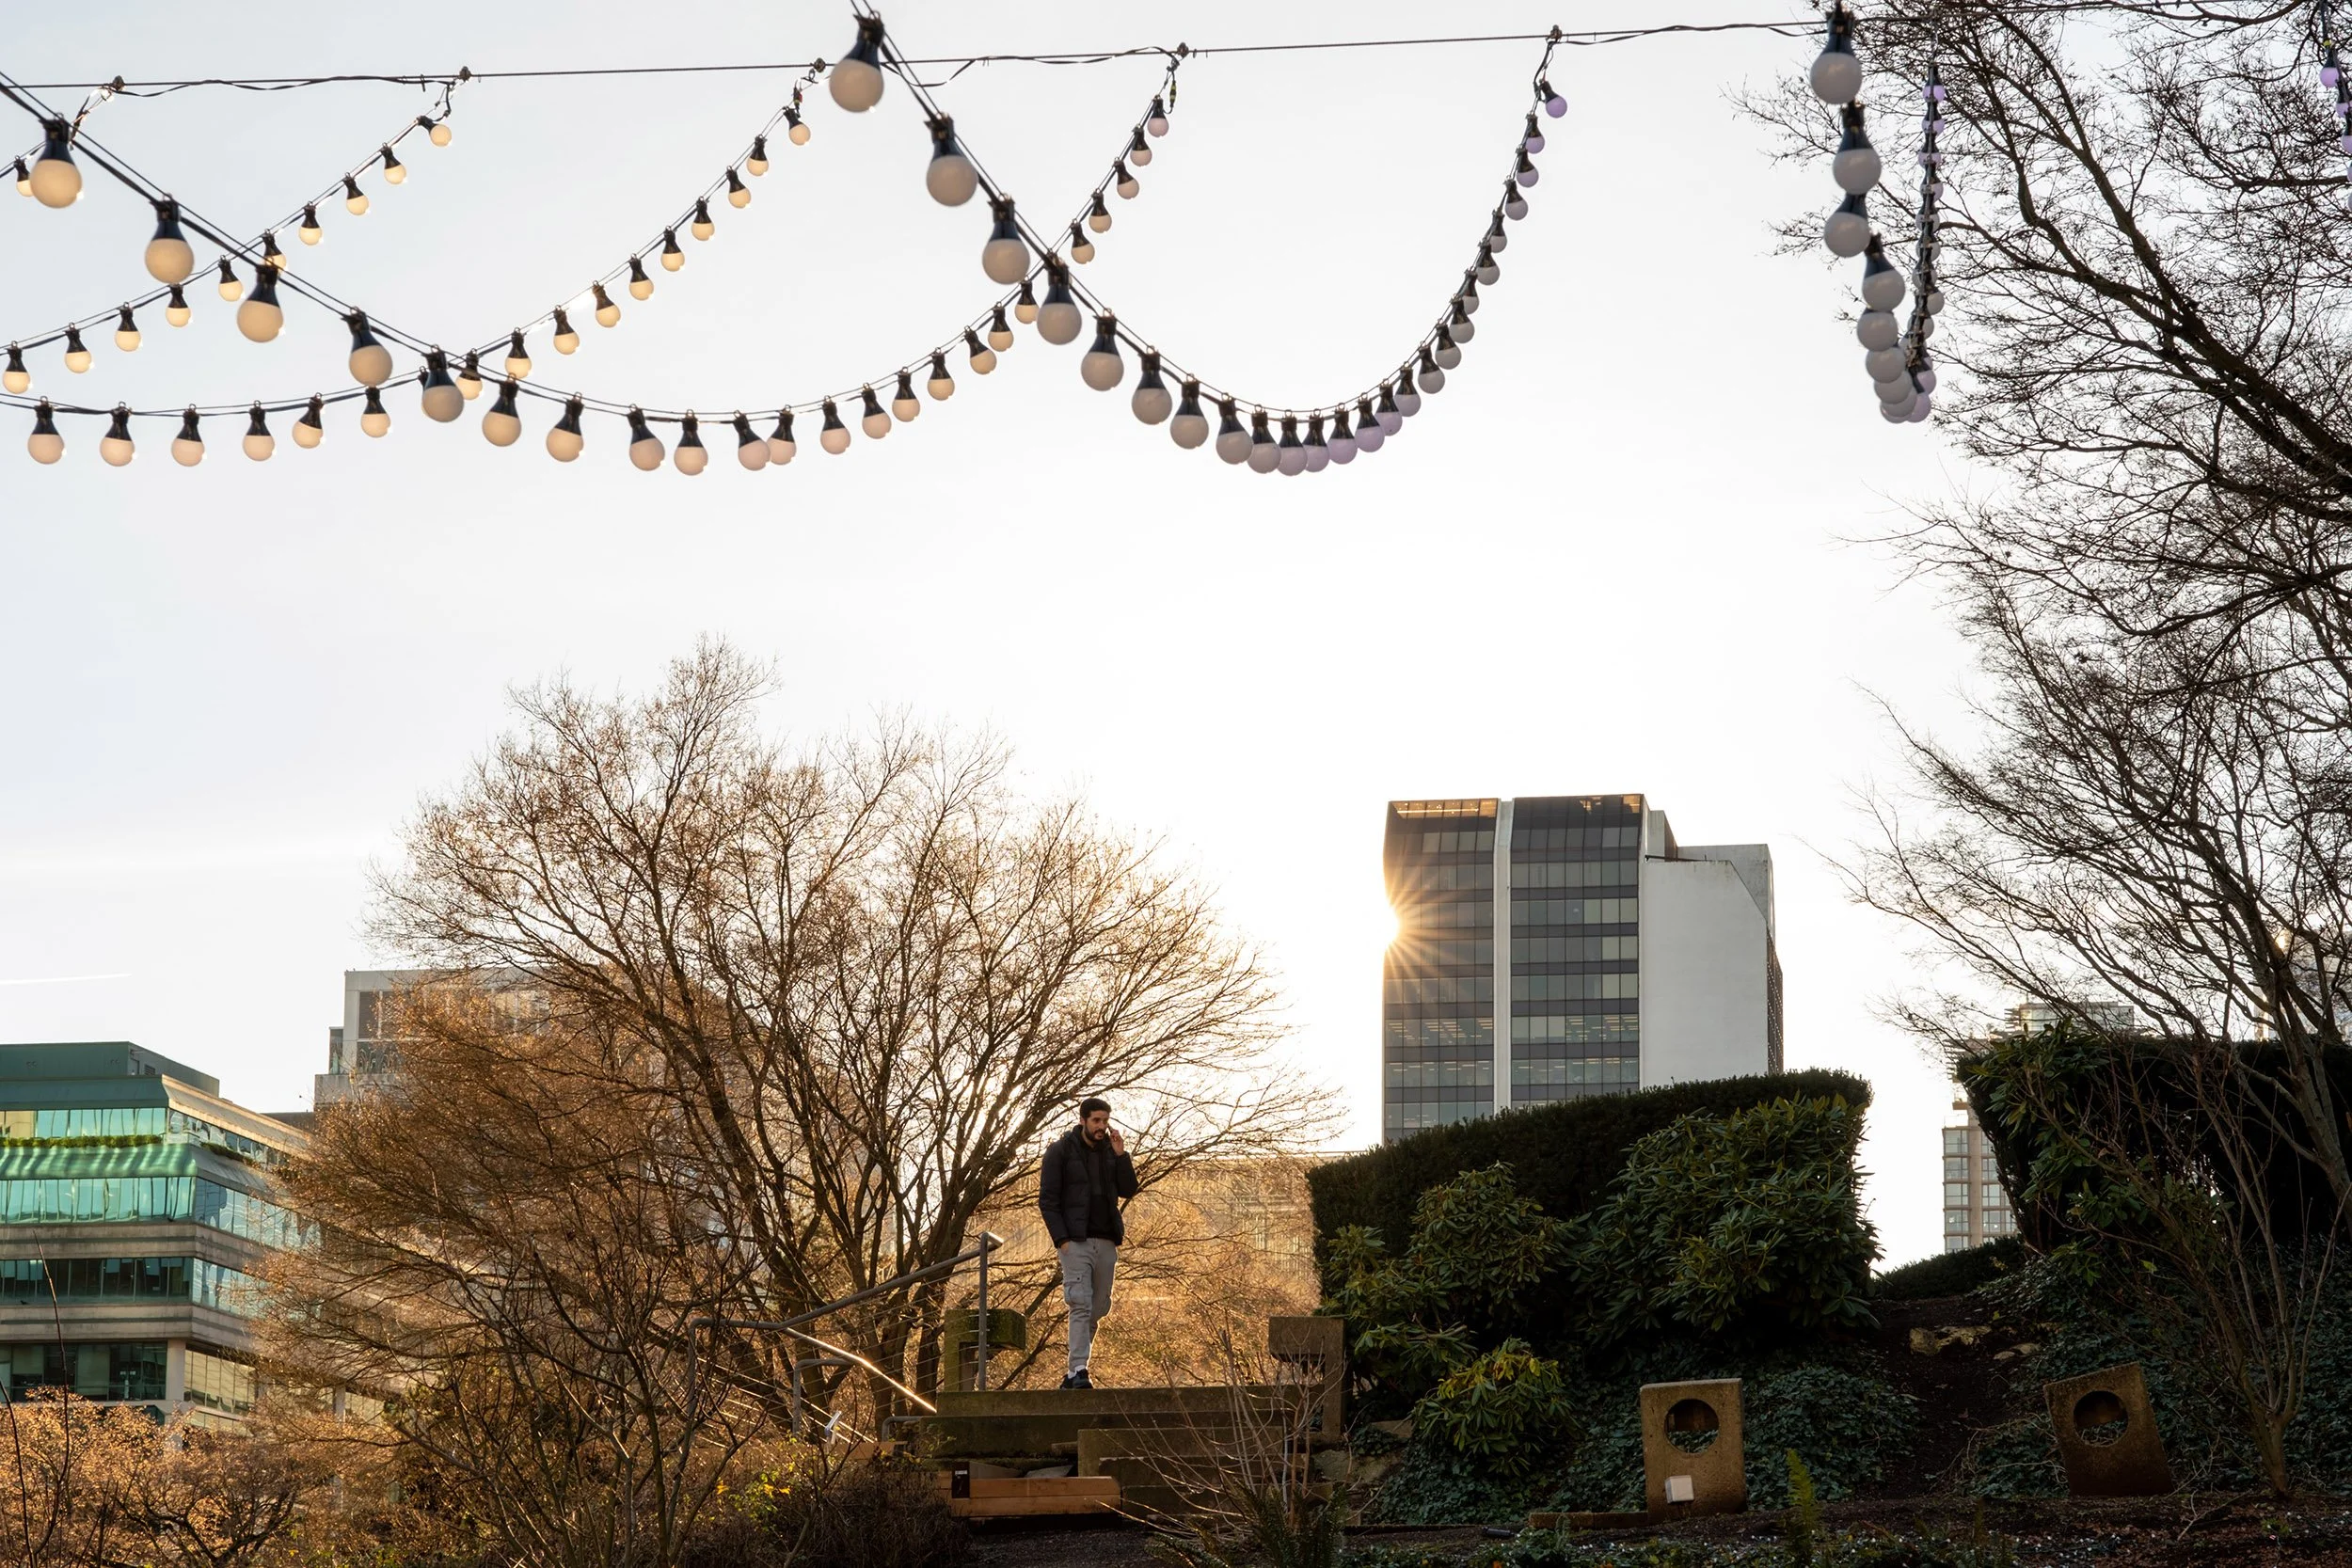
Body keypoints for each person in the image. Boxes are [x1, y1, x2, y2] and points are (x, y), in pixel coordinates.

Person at [1038, 1095, 1137, 1389]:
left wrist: (1122, 1156)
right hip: (1076, 1241)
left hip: (1107, 1240)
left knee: (1099, 1306)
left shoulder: (1111, 1151)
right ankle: (1080, 1368)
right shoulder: (1060, 1151)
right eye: (1096, 1120)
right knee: (1079, 1303)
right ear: (1082, 1120)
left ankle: (1071, 1376)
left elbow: (1129, 1189)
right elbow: (1048, 1200)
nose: (1101, 1126)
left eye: (1105, 1121)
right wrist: (1062, 1240)